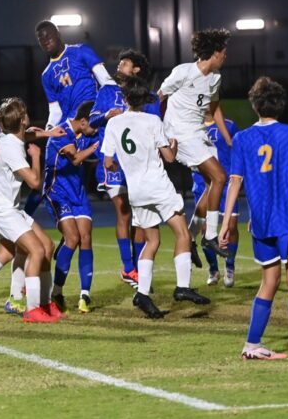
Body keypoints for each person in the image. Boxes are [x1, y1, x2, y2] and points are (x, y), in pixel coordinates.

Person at [219, 77, 288, 361]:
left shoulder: (241, 138)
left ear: (254, 105)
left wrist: (227, 221)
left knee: (269, 280)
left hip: (261, 222)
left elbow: (234, 182)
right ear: (281, 105)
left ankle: (252, 344)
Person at [102, 75, 211, 319]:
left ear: (125, 97)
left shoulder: (113, 124)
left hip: (137, 192)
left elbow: (108, 163)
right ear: (145, 99)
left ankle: (142, 293)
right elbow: (170, 158)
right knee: (183, 234)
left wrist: (123, 167)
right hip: (158, 187)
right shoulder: (153, 121)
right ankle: (182, 287)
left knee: (152, 241)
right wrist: (172, 145)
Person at [0, 97, 62, 323]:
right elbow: (35, 183)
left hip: (10, 207)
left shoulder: (10, 138)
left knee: (47, 245)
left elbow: (27, 136)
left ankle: (46, 303)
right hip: (1, 209)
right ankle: (33, 309)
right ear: (23, 120)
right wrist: (36, 156)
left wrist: (48, 134)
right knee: (36, 251)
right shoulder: (12, 149)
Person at [158, 28, 234, 261]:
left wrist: (227, 139)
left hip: (199, 133)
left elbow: (213, 109)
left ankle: (189, 237)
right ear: (215, 53)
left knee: (213, 184)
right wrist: (160, 131)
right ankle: (210, 236)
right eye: (224, 53)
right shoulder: (183, 72)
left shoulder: (215, 78)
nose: (226, 57)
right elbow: (159, 96)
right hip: (181, 134)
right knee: (220, 177)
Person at [88, 50, 161, 288]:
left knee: (139, 216)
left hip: (140, 164)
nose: (119, 65)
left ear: (137, 69)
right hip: (114, 162)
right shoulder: (108, 91)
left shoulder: (149, 98)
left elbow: (155, 128)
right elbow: (92, 120)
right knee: (124, 212)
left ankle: (138, 267)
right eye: (119, 62)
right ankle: (128, 268)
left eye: (125, 63)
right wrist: (107, 115)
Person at [43, 100, 100, 313]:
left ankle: (85, 296)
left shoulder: (86, 134)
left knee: (86, 237)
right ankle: (56, 292)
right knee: (73, 238)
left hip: (77, 192)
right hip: (57, 192)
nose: (95, 129)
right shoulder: (61, 132)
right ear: (83, 121)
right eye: (93, 124)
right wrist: (96, 148)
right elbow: (75, 159)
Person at [190, 108, 239, 287]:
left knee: (231, 227)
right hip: (203, 185)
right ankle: (213, 269)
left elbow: (237, 151)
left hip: (226, 185)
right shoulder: (193, 128)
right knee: (204, 229)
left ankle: (230, 266)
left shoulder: (229, 126)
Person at [36, 20, 116, 129]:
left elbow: (107, 81)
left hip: (93, 119)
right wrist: (50, 126)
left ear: (58, 34)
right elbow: (55, 110)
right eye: (41, 39)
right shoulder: (46, 75)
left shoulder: (81, 50)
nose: (45, 42)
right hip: (71, 127)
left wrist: (117, 103)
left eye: (48, 36)